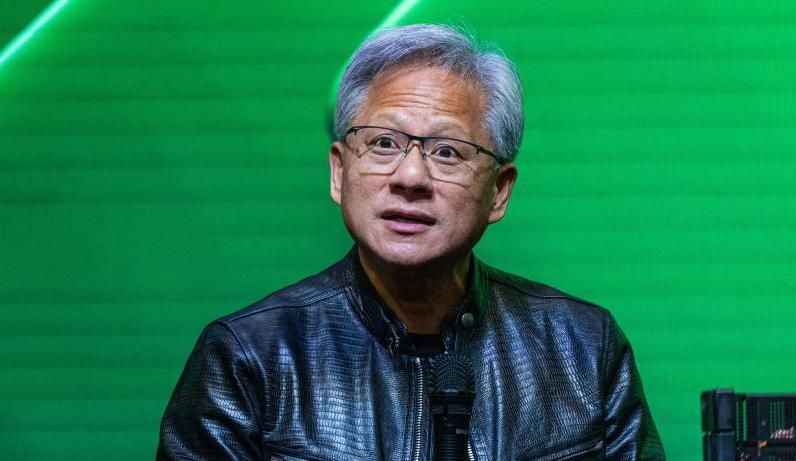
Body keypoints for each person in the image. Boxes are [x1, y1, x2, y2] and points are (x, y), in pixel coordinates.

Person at [157, 24, 665, 460]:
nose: (411, 176)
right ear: (339, 171)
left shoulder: (581, 348)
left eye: (448, 151)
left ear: (499, 191)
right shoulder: (249, 358)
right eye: (383, 143)